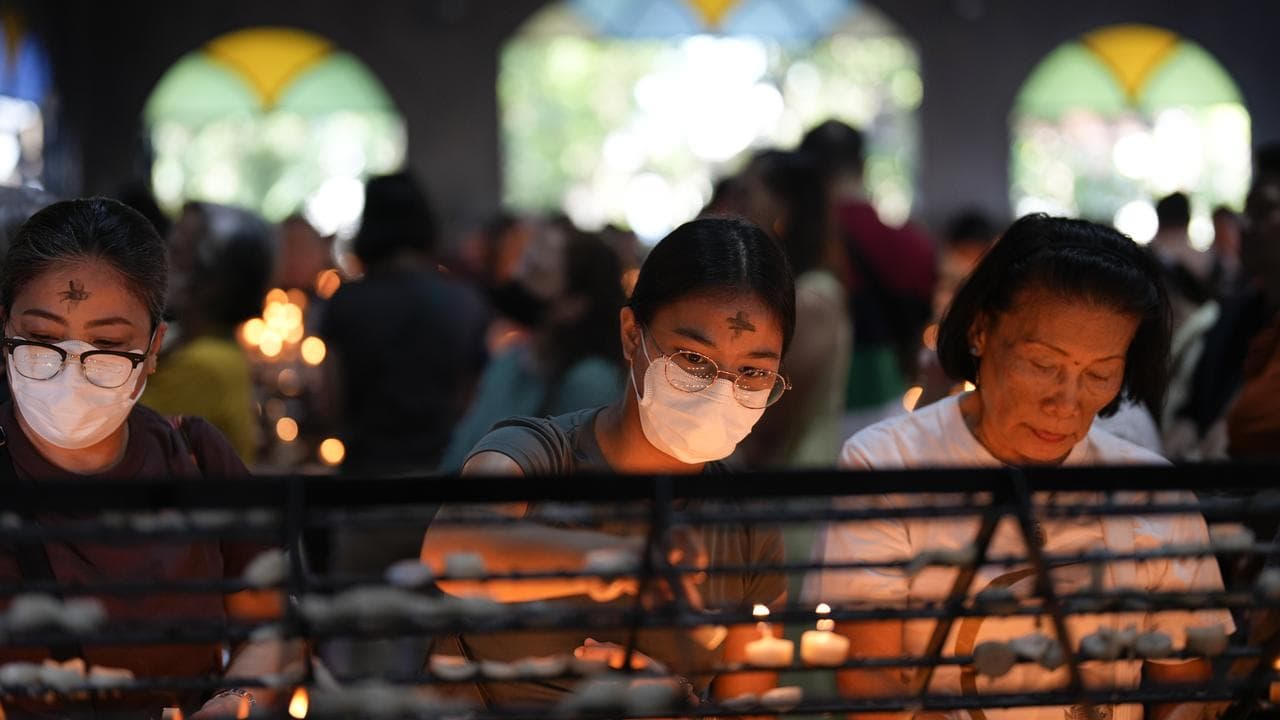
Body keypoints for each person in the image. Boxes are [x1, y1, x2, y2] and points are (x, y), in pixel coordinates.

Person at [805, 215, 1231, 720]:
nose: (1066, 401)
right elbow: (870, 682)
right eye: (1043, 365)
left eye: (1099, 374)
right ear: (981, 330)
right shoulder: (888, 466)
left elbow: (1182, 689)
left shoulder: (1151, 491)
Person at [421, 217, 792, 708]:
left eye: (753, 371)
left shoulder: (746, 527)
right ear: (631, 336)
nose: (722, 388)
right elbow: (454, 546)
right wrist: (627, 561)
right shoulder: (536, 454)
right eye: (693, 359)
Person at [0, 198, 300, 717]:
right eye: (43, 339)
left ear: (154, 347)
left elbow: (274, 627)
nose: (72, 369)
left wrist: (234, 704)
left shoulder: (195, 459)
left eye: (108, 344)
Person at [319, 172, 488, 474]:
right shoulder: (464, 302)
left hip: (366, 479)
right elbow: (474, 398)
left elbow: (330, 402)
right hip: (446, 477)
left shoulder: (347, 302)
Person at [439, 227, 626, 471]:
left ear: (574, 304)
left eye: (537, 272)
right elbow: (461, 450)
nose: (516, 276)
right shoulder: (513, 358)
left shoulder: (590, 380)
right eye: (524, 262)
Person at [798, 120, 937, 440]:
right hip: (890, 408)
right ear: (862, 165)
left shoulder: (806, 247)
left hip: (811, 410)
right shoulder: (914, 243)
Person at [736, 148, 851, 467]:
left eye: (749, 195)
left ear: (783, 207)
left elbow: (775, 411)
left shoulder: (811, 297)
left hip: (794, 479)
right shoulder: (800, 290)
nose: (739, 210)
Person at [142, 202, 275, 464]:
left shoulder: (204, 365)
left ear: (216, 281)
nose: (159, 263)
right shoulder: (204, 348)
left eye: (178, 253)